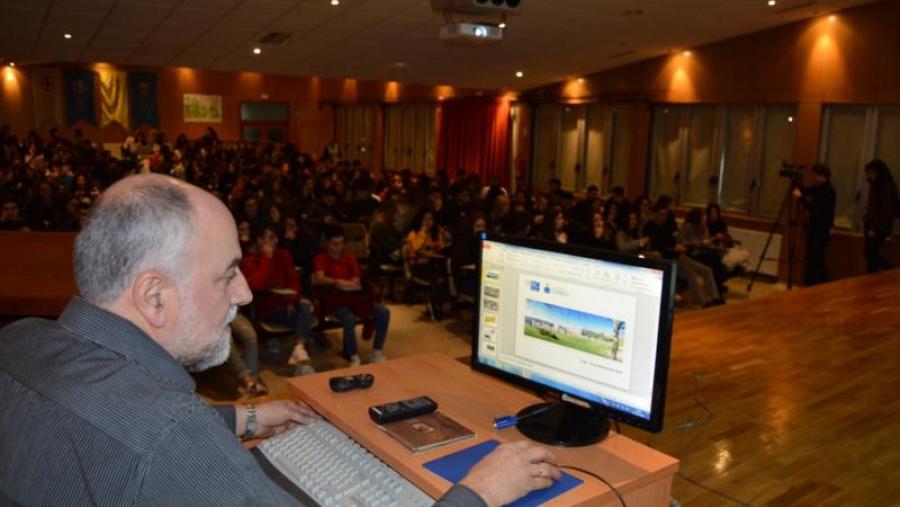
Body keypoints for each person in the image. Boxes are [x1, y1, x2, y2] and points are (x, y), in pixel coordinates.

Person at [0, 174, 561, 506]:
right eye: (226, 274)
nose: (244, 292)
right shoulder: (172, 436)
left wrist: (242, 419)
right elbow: (155, 439)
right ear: (154, 297)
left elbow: (102, 421)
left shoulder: (19, 341)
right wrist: (478, 493)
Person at [240, 223, 316, 376]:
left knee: (306, 308)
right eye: (270, 238)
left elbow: (294, 281)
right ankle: (301, 357)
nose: (275, 241)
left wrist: (290, 299)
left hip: (288, 304)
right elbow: (257, 286)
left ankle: (299, 351)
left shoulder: (284, 255)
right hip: (267, 307)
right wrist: (266, 259)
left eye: (275, 238)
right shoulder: (249, 260)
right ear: (259, 241)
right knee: (304, 315)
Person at [314, 225, 390, 367]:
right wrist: (337, 282)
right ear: (327, 244)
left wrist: (347, 284)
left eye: (341, 243)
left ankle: (377, 353)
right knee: (348, 318)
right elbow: (319, 278)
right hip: (334, 299)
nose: (338, 248)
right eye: (334, 244)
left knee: (384, 312)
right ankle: (353, 356)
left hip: (355, 298)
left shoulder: (349, 258)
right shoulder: (321, 258)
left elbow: (356, 280)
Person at [793, 164, 837, 285]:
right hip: (817, 228)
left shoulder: (828, 190)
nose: (813, 179)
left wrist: (800, 199)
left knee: (816, 260)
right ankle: (810, 285)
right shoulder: (822, 187)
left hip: (821, 230)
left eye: (815, 176)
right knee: (813, 259)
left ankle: (827, 284)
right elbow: (808, 191)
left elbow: (816, 210)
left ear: (822, 176)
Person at [863, 159, 898, 273]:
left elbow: (885, 210)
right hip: (871, 222)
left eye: (871, 172)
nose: (870, 175)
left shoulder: (887, 186)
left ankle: (888, 270)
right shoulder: (874, 184)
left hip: (879, 225)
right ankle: (875, 275)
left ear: (878, 172)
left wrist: (874, 228)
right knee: (870, 252)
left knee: (871, 252)